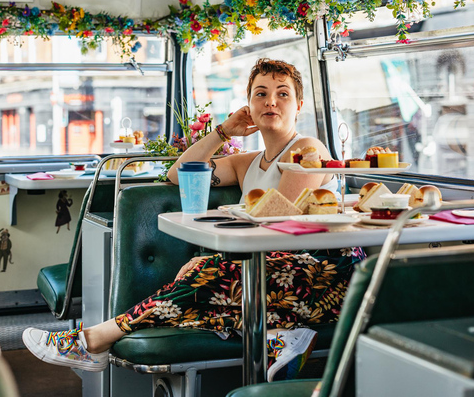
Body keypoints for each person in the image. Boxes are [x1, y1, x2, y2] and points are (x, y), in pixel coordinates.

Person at [23, 58, 364, 381]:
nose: (270, 102)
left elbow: (278, 220)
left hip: (323, 274)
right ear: (249, 105)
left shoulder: (307, 148)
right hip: (270, 275)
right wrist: (223, 132)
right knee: (213, 281)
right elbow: (177, 174)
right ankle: (283, 335)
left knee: (210, 275)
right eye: (261, 94)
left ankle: (94, 340)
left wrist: (215, 258)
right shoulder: (248, 163)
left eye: (282, 94)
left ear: (298, 106)